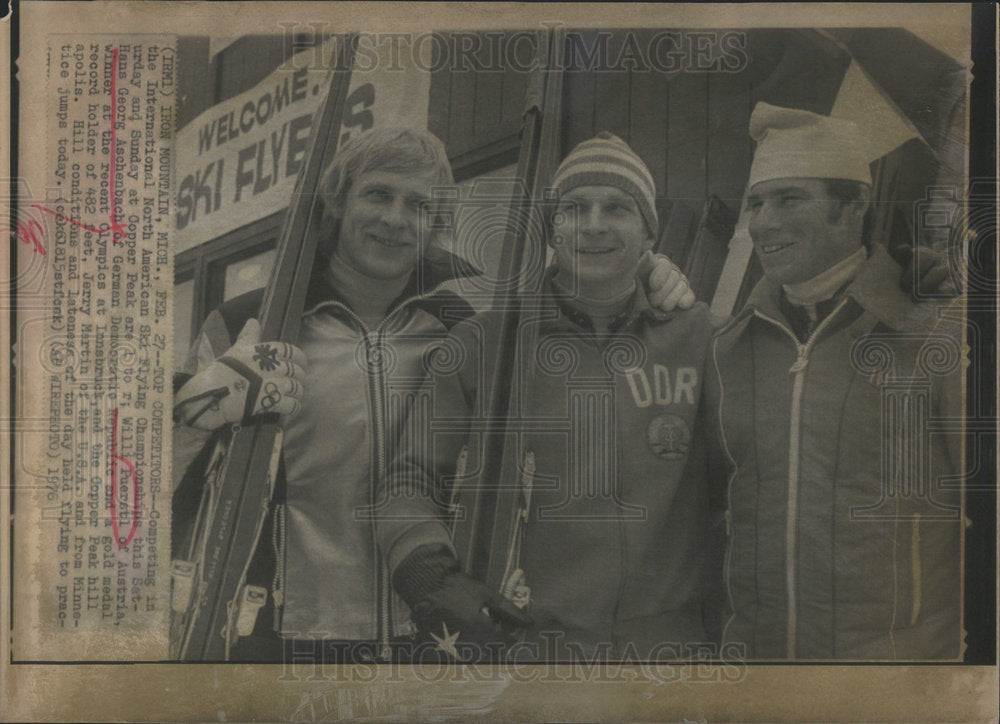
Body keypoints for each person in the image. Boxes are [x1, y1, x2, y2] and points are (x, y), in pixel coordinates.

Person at [171, 127, 693, 663]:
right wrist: (191, 413)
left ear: (436, 223)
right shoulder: (250, 323)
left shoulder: (457, 329)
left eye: (420, 205)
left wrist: (643, 273)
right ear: (338, 202)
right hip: (275, 632)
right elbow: (146, 489)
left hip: (427, 629)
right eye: (378, 194)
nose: (396, 219)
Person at [378, 133, 721, 663]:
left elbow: (751, 486)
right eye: (574, 208)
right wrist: (431, 579)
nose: (594, 224)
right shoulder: (481, 345)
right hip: (529, 652)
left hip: (668, 659)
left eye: (618, 208)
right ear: (551, 228)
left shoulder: (704, 340)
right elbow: (410, 477)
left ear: (649, 231)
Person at [704, 103, 965, 660]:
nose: (764, 222)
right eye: (756, 202)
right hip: (762, 675)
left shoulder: (938, 333)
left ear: (854, 206)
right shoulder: (729, 350)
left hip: (895, 682)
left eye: (790, 198)